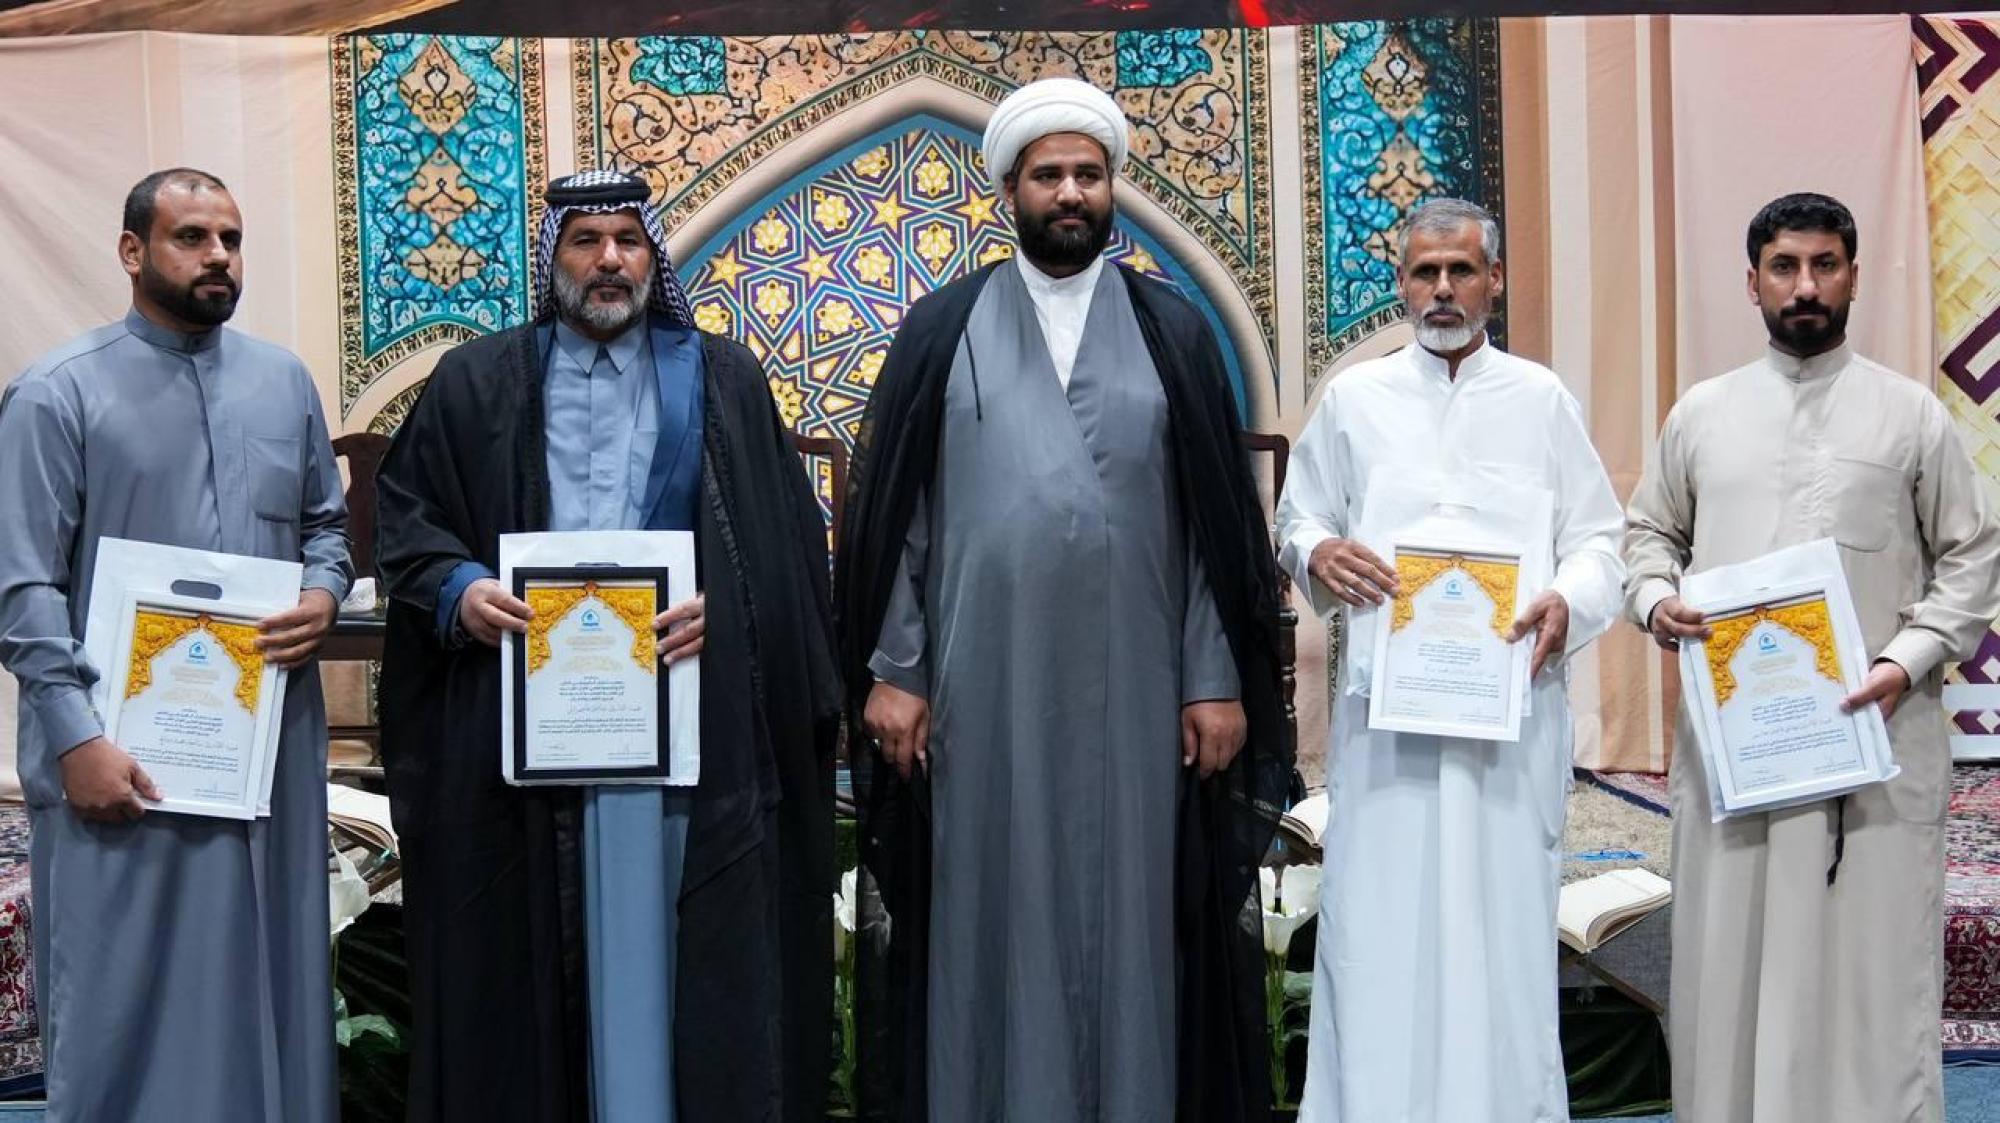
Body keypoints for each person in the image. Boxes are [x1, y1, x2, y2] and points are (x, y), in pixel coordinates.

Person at [836, 76, 1291, 1121]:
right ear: (1009, 190)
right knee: (986, 898)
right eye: (1049, 174)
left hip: (1141, 683)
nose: (1071, 192)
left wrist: (1213, 676)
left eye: (1089, 173)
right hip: (979, 681)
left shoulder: (1172, 331)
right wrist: (897, 670)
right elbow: (900, 517)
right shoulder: (941, 328)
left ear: (1112, 186)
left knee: (1132, 905)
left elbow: (1210, 527)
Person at [375, 170, 841, 1122]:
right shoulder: (475, 381)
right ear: (553, 257)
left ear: (652, 255)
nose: (609, 260)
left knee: (672, 960)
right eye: (585, 240)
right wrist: (461, 591)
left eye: (627, 239)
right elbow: (409, 520)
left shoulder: (720, 378)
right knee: (527, 966)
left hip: (683, 733)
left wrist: (727, 609)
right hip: (519, 737)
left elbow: (788, 549)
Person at [1623, 191, 2000, 1123]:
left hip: (1874, 744)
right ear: (1751, 281)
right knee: (1729, 958)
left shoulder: (1910, 415)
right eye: (1784, 266)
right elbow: (1647, 535)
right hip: (1737, 750)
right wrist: (1657, 601)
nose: (1805, 286)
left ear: (1854, 278)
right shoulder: (1703, 414)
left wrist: (1905, 661)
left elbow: (1973, 553)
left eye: (1824, 265)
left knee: (1871, 971)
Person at [0, 167, 351, 1121]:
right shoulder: (56, 394)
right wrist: (76, 738)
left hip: (264, 754)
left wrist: (323, 592)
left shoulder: (283, 383)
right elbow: (22, 585)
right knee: (126, 998)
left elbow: (325, 527)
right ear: (132, 251)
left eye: (231, 239)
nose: (218, 257)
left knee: (274, 981)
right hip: (121, 760)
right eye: (191, 237)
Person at [1278, 197, 1625, 1123]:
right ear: (1401, 282)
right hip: (1387, 728)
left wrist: (1570, 599)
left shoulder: (1541, 400)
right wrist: (1317, 551)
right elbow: (1297, 516)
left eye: (1460, 271)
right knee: (1378, 934)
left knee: (1500, 937)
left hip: (1507, 725)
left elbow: (1601, 542)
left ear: (1494, 281)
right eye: (1424, 272)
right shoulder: (1355, 400)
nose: (1442, 289)